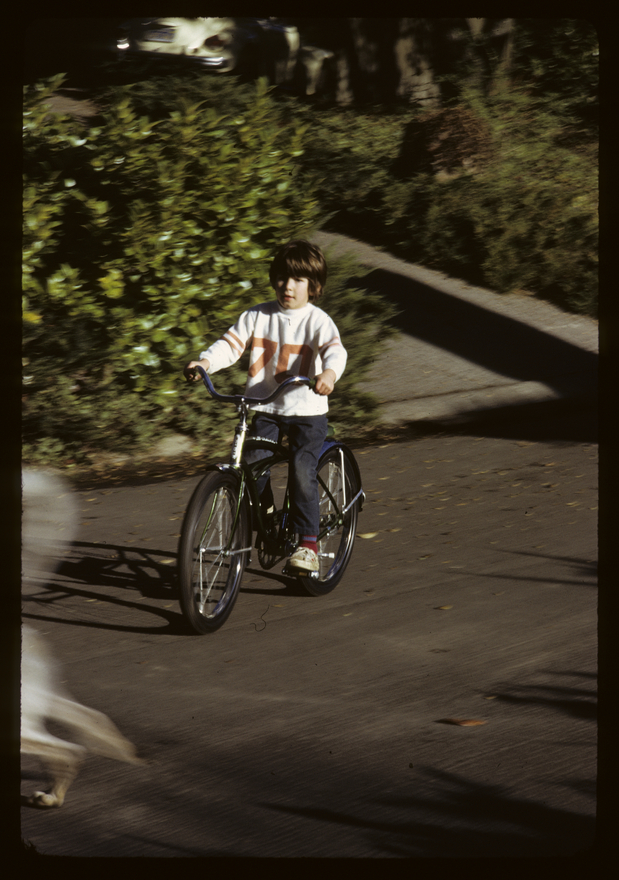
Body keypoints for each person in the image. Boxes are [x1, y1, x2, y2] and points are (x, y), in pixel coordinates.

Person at [183, 240, 347, 573]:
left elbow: (335, 351)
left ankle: (308, 544)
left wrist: (329, 373)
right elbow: (230, 345)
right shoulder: (257, 316)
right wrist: (205, 363)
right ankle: (267, 516)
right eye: (283, 277)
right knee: (252, 464)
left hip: (307, 410)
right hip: (265, 407)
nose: (288, 286)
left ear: (313, 286)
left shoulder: (318, 321)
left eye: (298, 279)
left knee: (302, 469)